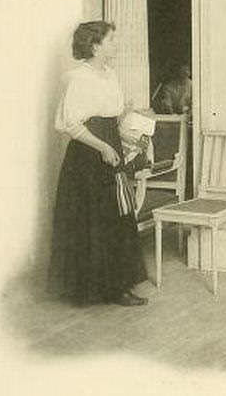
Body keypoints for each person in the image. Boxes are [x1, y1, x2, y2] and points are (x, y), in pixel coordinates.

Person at [48, 21, 148, 307]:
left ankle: (117, 287)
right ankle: (89, 289)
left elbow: (109, 117)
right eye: (111, 39)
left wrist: (124, 126)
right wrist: (103, 146)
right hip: (87, 158)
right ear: (95, 46)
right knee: (91, 219)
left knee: (116, 217)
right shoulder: (78, 78)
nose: (116, 44)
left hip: (110, 148)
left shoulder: (110, 74)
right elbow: (70, 124)